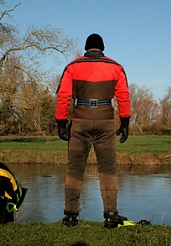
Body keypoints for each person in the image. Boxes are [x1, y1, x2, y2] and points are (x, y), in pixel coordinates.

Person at [55, 33, 131, 228]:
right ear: (102, 48)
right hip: (106, 120)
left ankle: (71, 215)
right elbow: (123, 96)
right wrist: (125, 122)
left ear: (86, 48)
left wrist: (61, 123)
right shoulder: (116, 67)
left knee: (75, 168)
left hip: (80, 119)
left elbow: (63, 96)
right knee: (108, 168)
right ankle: (111, 215)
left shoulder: (72, 67)